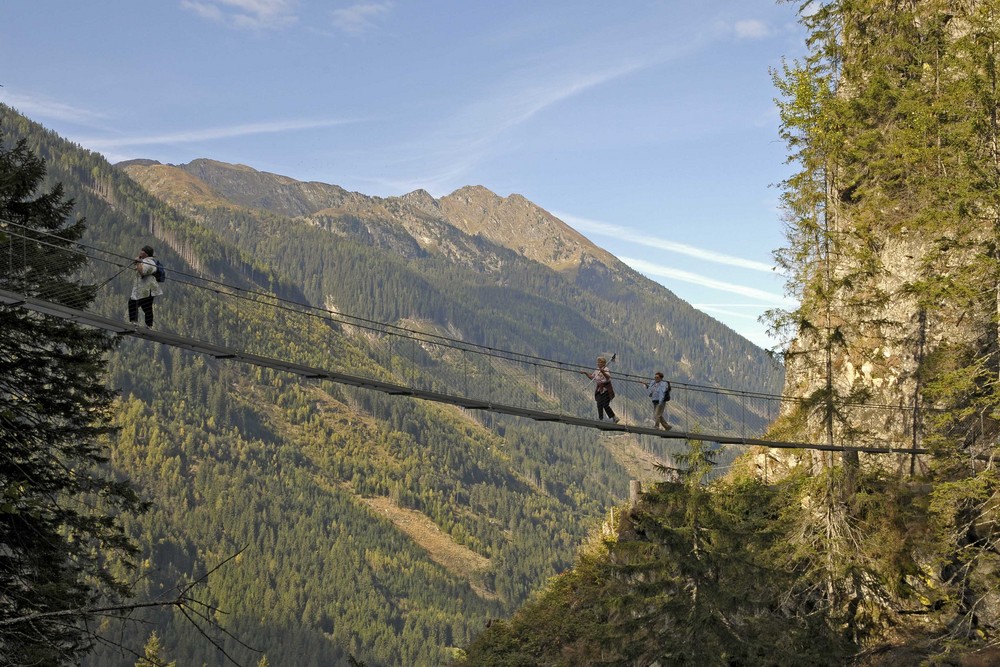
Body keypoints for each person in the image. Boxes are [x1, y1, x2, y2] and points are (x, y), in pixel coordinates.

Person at [128, 245, 162, 329]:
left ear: (146, 253)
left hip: (145, 288)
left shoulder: (149, 262)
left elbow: (142, 272)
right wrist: (138, 262)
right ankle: (149, 325)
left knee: (133, 303)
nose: (140, 252)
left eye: (142, 251)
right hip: (149, 288)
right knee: (147, 306)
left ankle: (134, 322)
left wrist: (138, 262)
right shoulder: (148, 261)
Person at [581, 356, 619, 423]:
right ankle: (601, 419)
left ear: (603, 363)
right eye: (598, 362)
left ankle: (614, 417)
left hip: (606, 389)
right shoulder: (597, 370)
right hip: (599, 389)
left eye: (599, 362)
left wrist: (603, 372)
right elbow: (592, 377)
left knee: (605, 405)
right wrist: (585, 373)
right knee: (599, 404)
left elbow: (608, 378)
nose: (598, 364)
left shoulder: (606, 369)